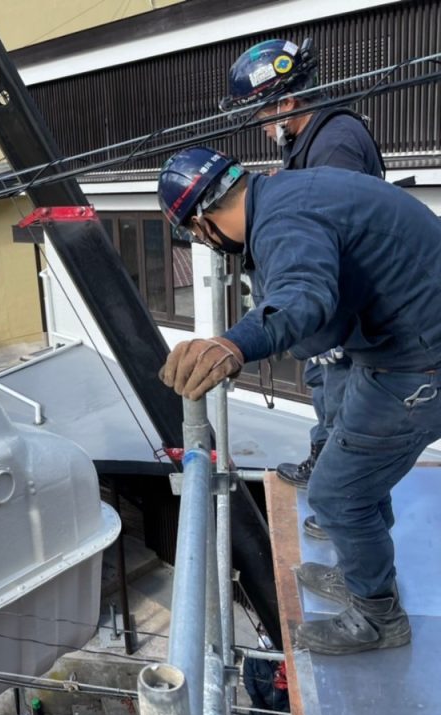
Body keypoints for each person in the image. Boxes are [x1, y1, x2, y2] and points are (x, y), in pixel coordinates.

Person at [156, 145, 441, 654]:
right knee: (356, 474)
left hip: (421, 362)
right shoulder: (287, 194)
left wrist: (232, 344)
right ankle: (364, 573)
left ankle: (379, 617)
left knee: (337, 493)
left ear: (201, 225)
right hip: (396, 347)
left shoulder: (282, 225)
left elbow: (303, 295)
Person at [220, 38, 385, 539]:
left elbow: (336, 232)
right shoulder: (307, 141)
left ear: (287, 102)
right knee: (324, 391)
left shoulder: (335, 142)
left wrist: (317, 313)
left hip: (344, 306)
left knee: (342, 404)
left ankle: (339, 509)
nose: (260, 124)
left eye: (260, 112)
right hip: (331, 307)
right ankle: (323, 466)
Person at [242, 627, 290, 715]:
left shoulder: (281, 658)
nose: (264, 636)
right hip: (262, 704)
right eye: (261, 632)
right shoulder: (252, 658)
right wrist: (262, 711)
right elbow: (250, 686)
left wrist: (286, 710)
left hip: (282, 706)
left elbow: (291, 685)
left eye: (266, 633)